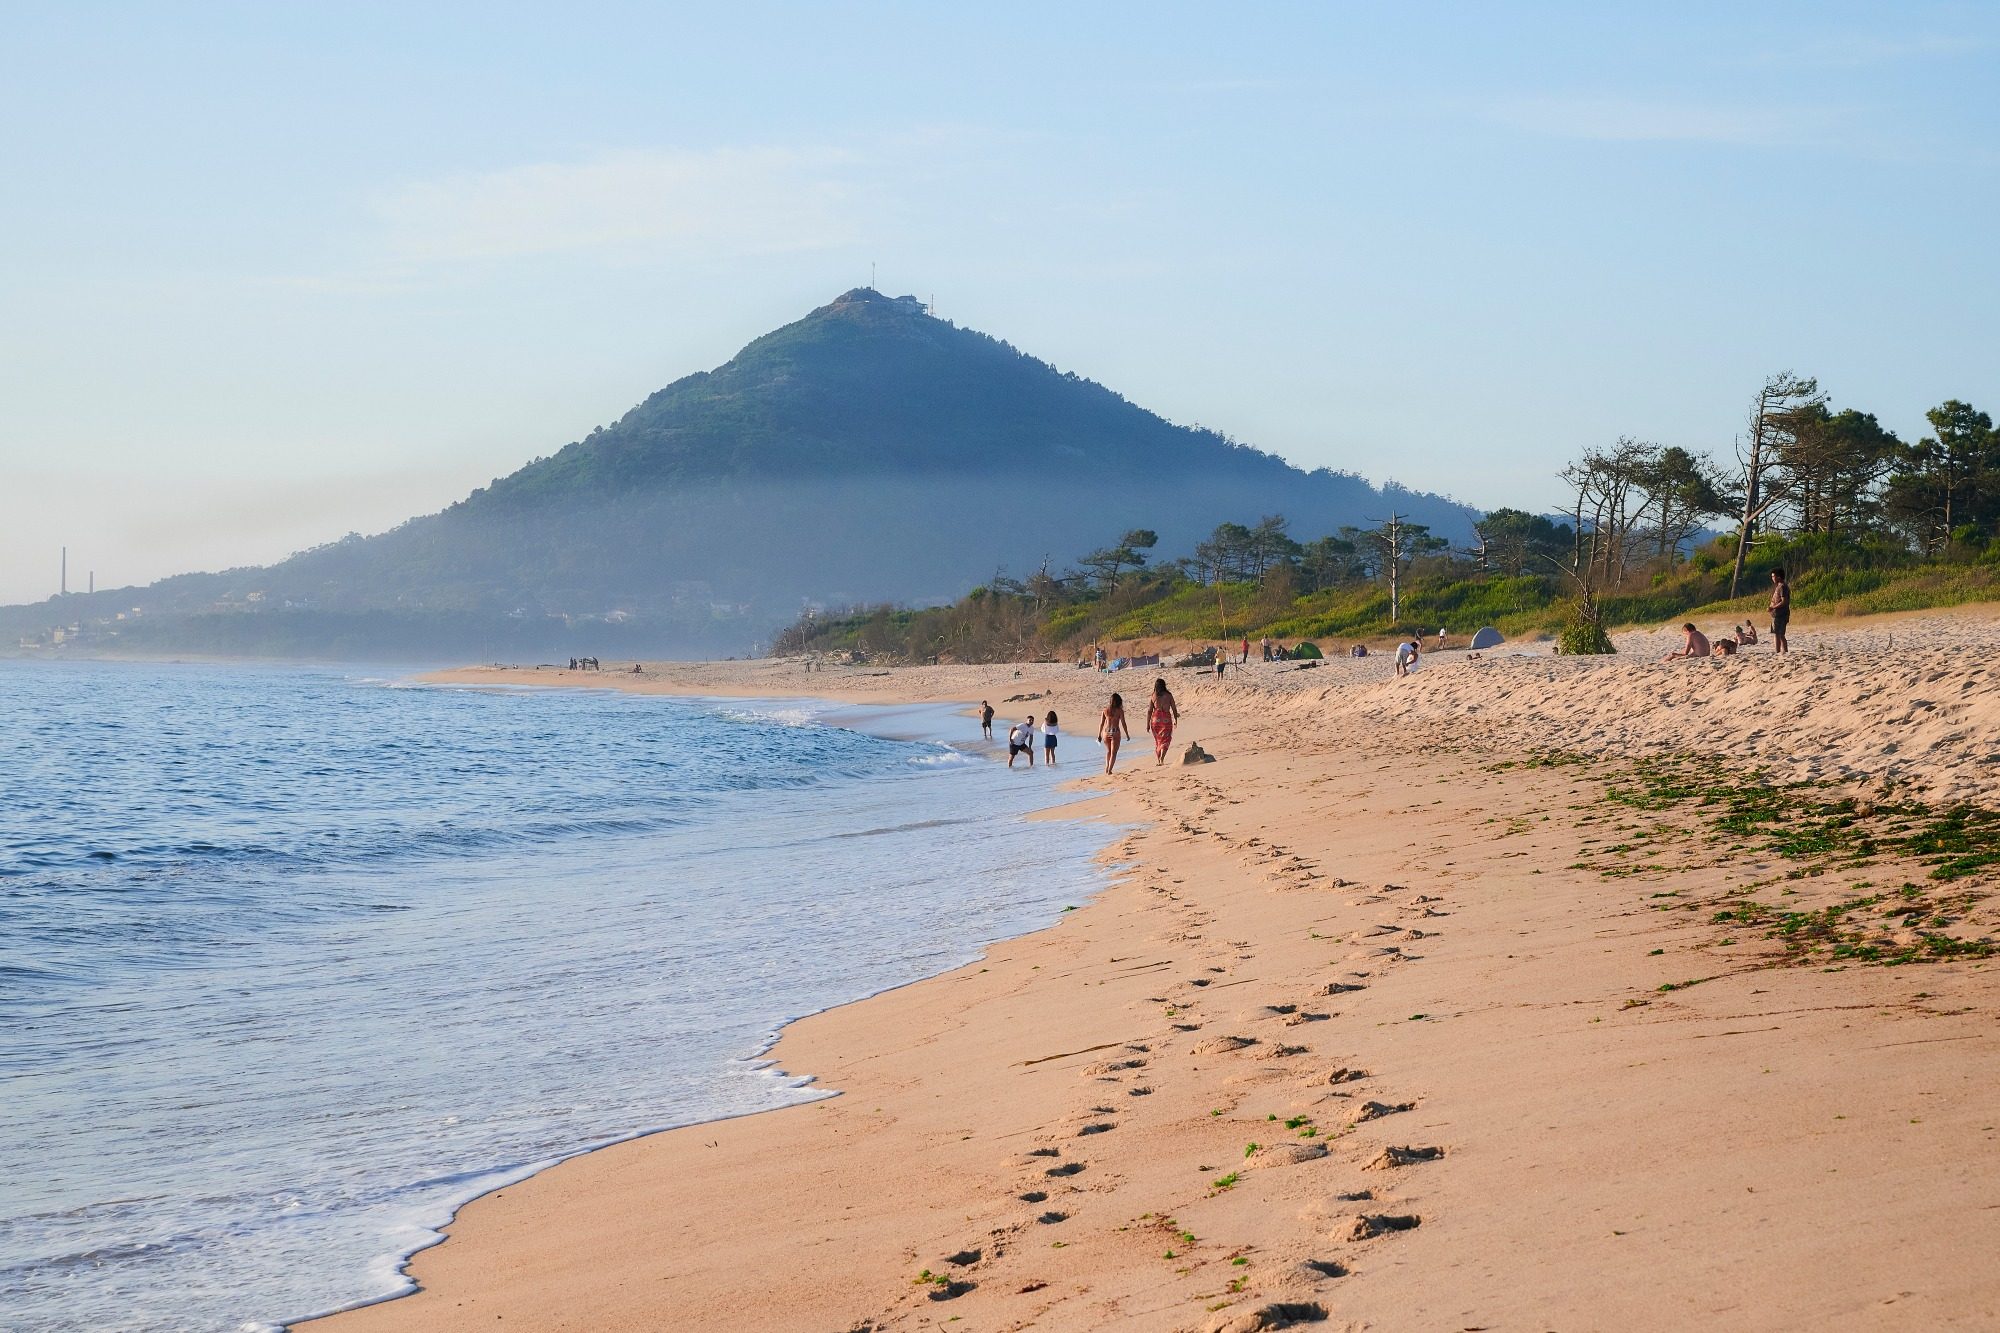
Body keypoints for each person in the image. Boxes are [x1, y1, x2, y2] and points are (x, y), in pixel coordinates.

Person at [1147, 676, 1179, 765]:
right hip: (1166, 719)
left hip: (1155, 719)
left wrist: (1147, 724)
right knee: (1166, 739)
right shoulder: (1168, 695)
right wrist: (1176, 719)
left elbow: (1149, 711)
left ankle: (1159, 759)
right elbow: (1174, 709)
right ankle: (1162, 758)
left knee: (1158, 740)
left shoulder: (1153, 695)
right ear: (1164, 685)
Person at [1099, 692, 1130, 774]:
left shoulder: (1105, 710)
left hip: (1106, 732)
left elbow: (1101, 723)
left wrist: (1099, 735)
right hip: (1115, 732)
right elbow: (1123, 723)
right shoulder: (1120, 711)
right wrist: (1127, 734)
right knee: (1114, 753)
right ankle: (1109, 770)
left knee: (1108, 751)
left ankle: (1106, 768)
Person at [1769, 568, 1791, 654]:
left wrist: (1773, 607)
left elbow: (1784, 601)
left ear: (1778, 577)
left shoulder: (1782, 586)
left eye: (1773, 576)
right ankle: (1783, 651)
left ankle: (1778, 652)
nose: (1772, 578)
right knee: (1780, 634)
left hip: (1780, 614)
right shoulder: (1779, 586)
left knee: (1778, 634)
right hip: (1778, 614)